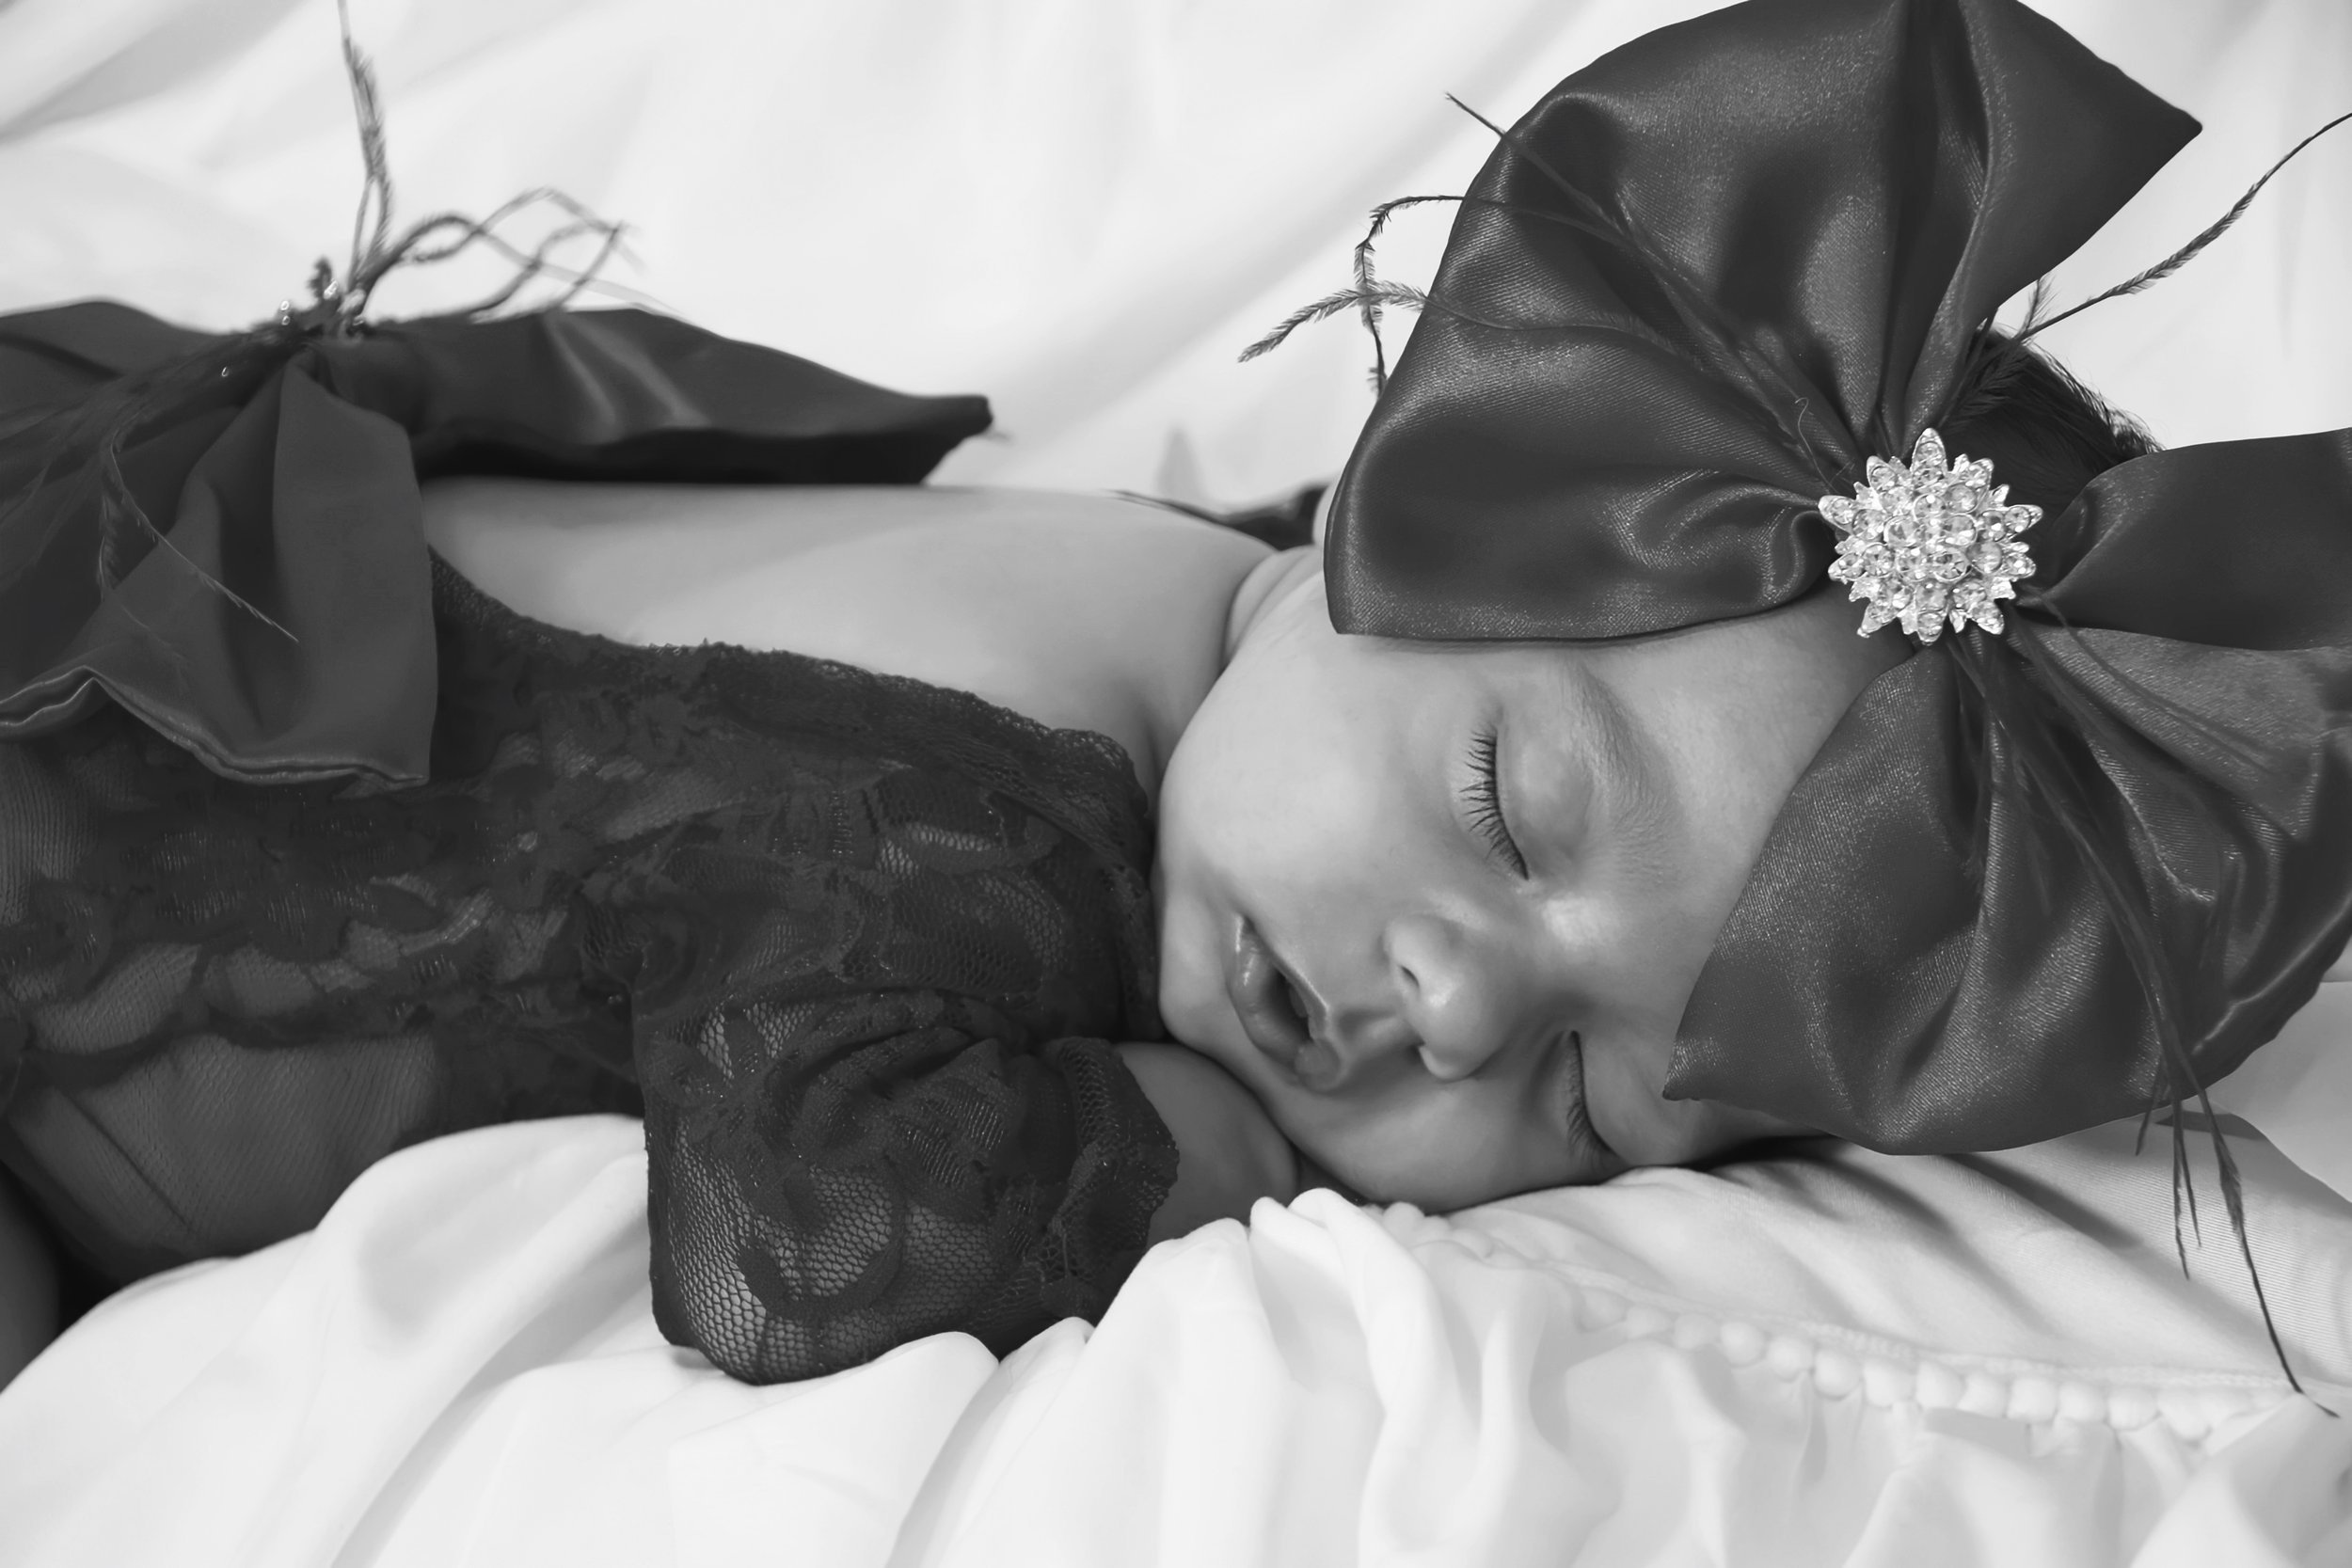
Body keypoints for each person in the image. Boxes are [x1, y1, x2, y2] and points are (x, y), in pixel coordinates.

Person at [2, 0, 2346, 1388]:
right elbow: (802, 1249)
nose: (1442, 1003)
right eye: (1510, 804)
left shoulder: (1204, 601)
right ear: (1410, 502)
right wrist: (1201, 1152)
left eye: (1589, 1102)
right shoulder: (981, 846)